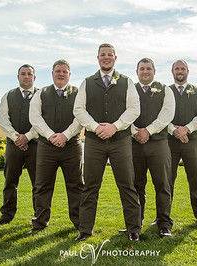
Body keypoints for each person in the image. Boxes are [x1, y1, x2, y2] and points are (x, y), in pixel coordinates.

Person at [73, 43, 141, 241]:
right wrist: (96, 127)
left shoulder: (126, 82)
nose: (106, 57)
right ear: (97, 58)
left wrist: (115, 126)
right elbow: (78, 110)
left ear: (115, 58)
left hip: (120, 140)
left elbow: (134, 109)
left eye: (110, 54)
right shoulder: (87, 82)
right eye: (103, 55)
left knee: (127, 184)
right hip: (94, 141)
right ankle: (85, 230)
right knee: (90, 186)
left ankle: (133, 229)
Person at [29, 59, 83, 231]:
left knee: (75, 185)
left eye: (64, 71)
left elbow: (81, 117)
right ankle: (40, 222)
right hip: (46, 146)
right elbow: (35, 118)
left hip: (72, 146)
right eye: (57, 71)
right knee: (42, 185)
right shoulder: (41, 93)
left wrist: (65, 136)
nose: (61, 74)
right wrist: (51, 135)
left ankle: (79, 221)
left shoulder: (78, 93)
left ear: (69, 74)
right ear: (52, 73)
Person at [168, 59, 197, 227]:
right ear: (172, 71)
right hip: (169, 142)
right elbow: (161, 116)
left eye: (182, 68)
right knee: (167, 180)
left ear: (187, 71)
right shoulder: (165, 92)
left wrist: (186, 129)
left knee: (196, 179)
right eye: (176, 68)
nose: (179, 71)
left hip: (192, 141)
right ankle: (163, 219)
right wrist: (174, 130)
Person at [131, 58, 175, 237]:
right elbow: (124, 113)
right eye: (142, 68)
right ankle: (135, 223)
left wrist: (147, 131)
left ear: (154, 71)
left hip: (159, 144)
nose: (145, 71)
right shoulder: (129, 89)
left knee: (163, 184)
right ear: (137, 71)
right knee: (135, 185)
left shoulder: (165, 90)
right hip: (134, 145)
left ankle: (164, 224)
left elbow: (167, 115)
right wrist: (135, 132)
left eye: (149, 68)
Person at [0, 64, 39, 226]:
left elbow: (43, 120)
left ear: (34, 77)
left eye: (29, 74)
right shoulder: (8, 96)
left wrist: (27, 137)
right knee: (10, 182)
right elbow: (3, 120)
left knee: (38, 184)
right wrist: (17, 138)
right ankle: (6, 216)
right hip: (13, 146)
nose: (26, 76)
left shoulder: (42, 95)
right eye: (23, 74)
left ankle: (39, 217)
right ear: (18, 77)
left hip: (36, 146)